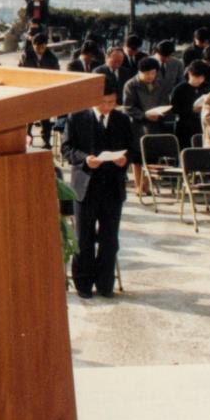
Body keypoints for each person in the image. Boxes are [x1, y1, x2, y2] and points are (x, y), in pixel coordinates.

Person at [61, 78, 132, 299]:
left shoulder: (122, 119)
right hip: (86, 186)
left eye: (111, 102)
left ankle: (105, 284)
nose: (107, 107)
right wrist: (84, 159)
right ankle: (83, 285)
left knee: (110, 238)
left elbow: (132, 148)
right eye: (103, 102)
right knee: (84, 238)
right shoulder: (77, 116)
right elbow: (66, 148)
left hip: (112, 186)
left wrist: (124, 160)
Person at [123, 57, 172, 195]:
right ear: (140, 72)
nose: (150, 76)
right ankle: (138, 185)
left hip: (155, 125)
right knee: (138, 158)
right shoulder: (131, 85)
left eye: (153, 73)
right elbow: (128, 107)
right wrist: (144, 115)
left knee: (152, 157)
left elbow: (165, 102)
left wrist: (161, 113)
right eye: (147, 73)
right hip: (137, 125)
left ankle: (146, 185)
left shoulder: (161, 84)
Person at [21, 33, 60, 147]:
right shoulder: (26, 55)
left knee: (45, 118)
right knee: (28, 118)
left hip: (45, 90)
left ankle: (46, 140)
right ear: (33, 45)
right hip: (30, 89)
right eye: (37, 47)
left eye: (42, 47)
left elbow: (56, 73)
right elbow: (22, 72)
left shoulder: (52, 57)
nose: (40, 50)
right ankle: (27, 138)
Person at [170, 60, 210, 151]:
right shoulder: (179, 89)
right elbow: (174, 109)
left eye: (202, 77)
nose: (199, 80)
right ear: (189, 74)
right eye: (196, 77)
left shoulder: (206, 88)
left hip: (202, 125)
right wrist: (191, 110)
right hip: (185, 127)